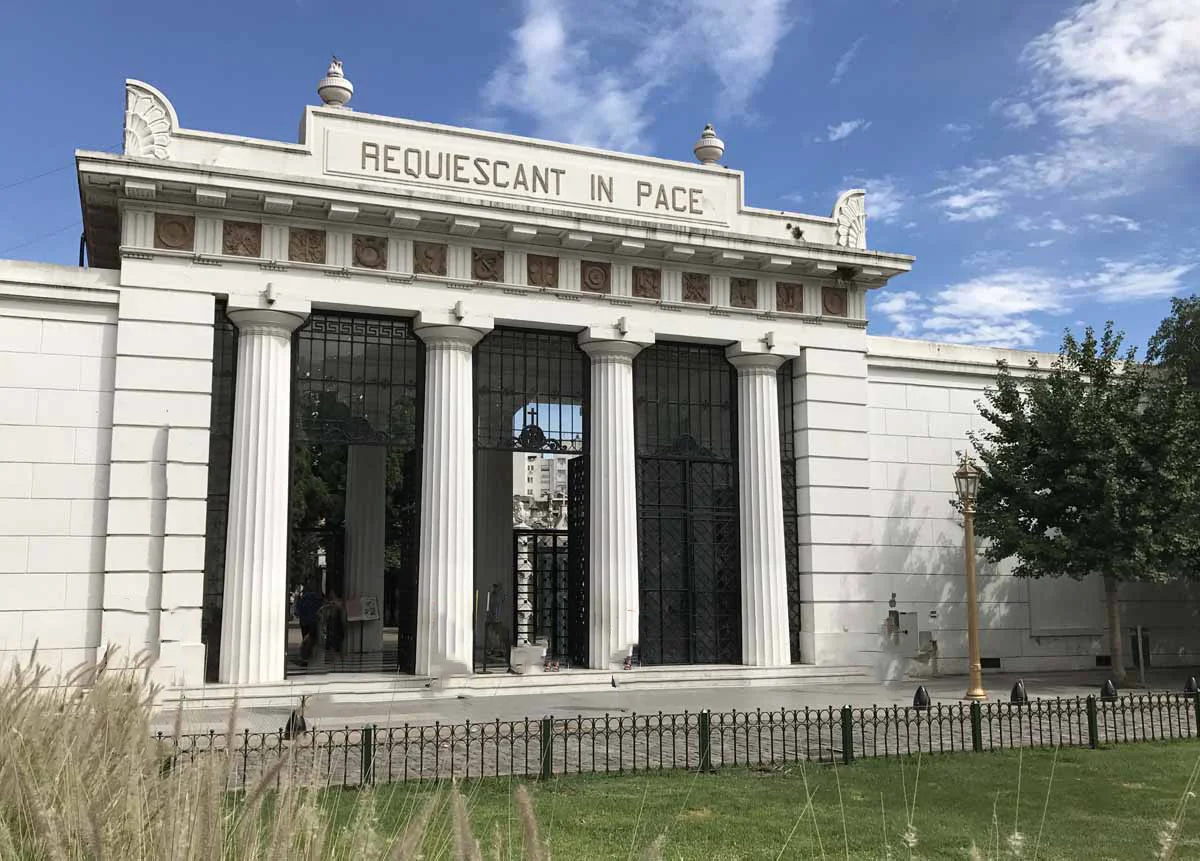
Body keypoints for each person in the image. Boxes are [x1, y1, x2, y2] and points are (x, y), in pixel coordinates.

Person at [295, 585, 322, 664]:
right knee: (312, 639)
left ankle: (305, 656)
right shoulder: (316, 599)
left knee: (306, 638)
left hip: (304, 622)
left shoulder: (303, 599)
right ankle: (309, 655)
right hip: (313, 621)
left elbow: (297, 612)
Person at [320, 590, 347, 667]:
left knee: (339, 644)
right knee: (331, 644)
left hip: (338, 626)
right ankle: (334, 660)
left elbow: (342, 613)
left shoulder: (338, 604)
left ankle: (341, 659)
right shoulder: (329, 605)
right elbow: (325, 615)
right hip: (332, 626)